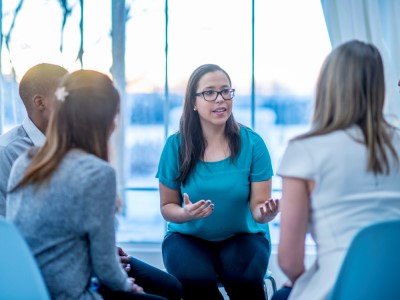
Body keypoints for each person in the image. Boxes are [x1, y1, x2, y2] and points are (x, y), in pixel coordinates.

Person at [6, 70, 181, 300]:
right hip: (73, 291)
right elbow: (106, 268)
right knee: (169, 292)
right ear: (105, 121)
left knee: (171, 288)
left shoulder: (25, 160)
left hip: (31, 287)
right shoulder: (98, 174)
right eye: (115, 116)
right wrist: (128, 287)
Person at [272, 40, 400, 300]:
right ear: (378, 89)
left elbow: (289, 260)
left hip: (339, 290)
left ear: (327, 87)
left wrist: (303, 282)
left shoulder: (304, 150)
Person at [156, 63, 279, 300]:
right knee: (196, 282)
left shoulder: (253, 144)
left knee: (243, 280)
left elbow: (258, 207)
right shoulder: (175, 146)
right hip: (187, 238)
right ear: (193, 102)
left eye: (226, 91)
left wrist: (265, 213)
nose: (220, 99)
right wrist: (186, 214)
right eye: (209, 93)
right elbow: (167, 207)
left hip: (244, 237)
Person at [0, 63, 68, 216]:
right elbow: (4, 224)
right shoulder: (6, 151)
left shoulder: (74, 144)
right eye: (65, 94)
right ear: (40, 102)